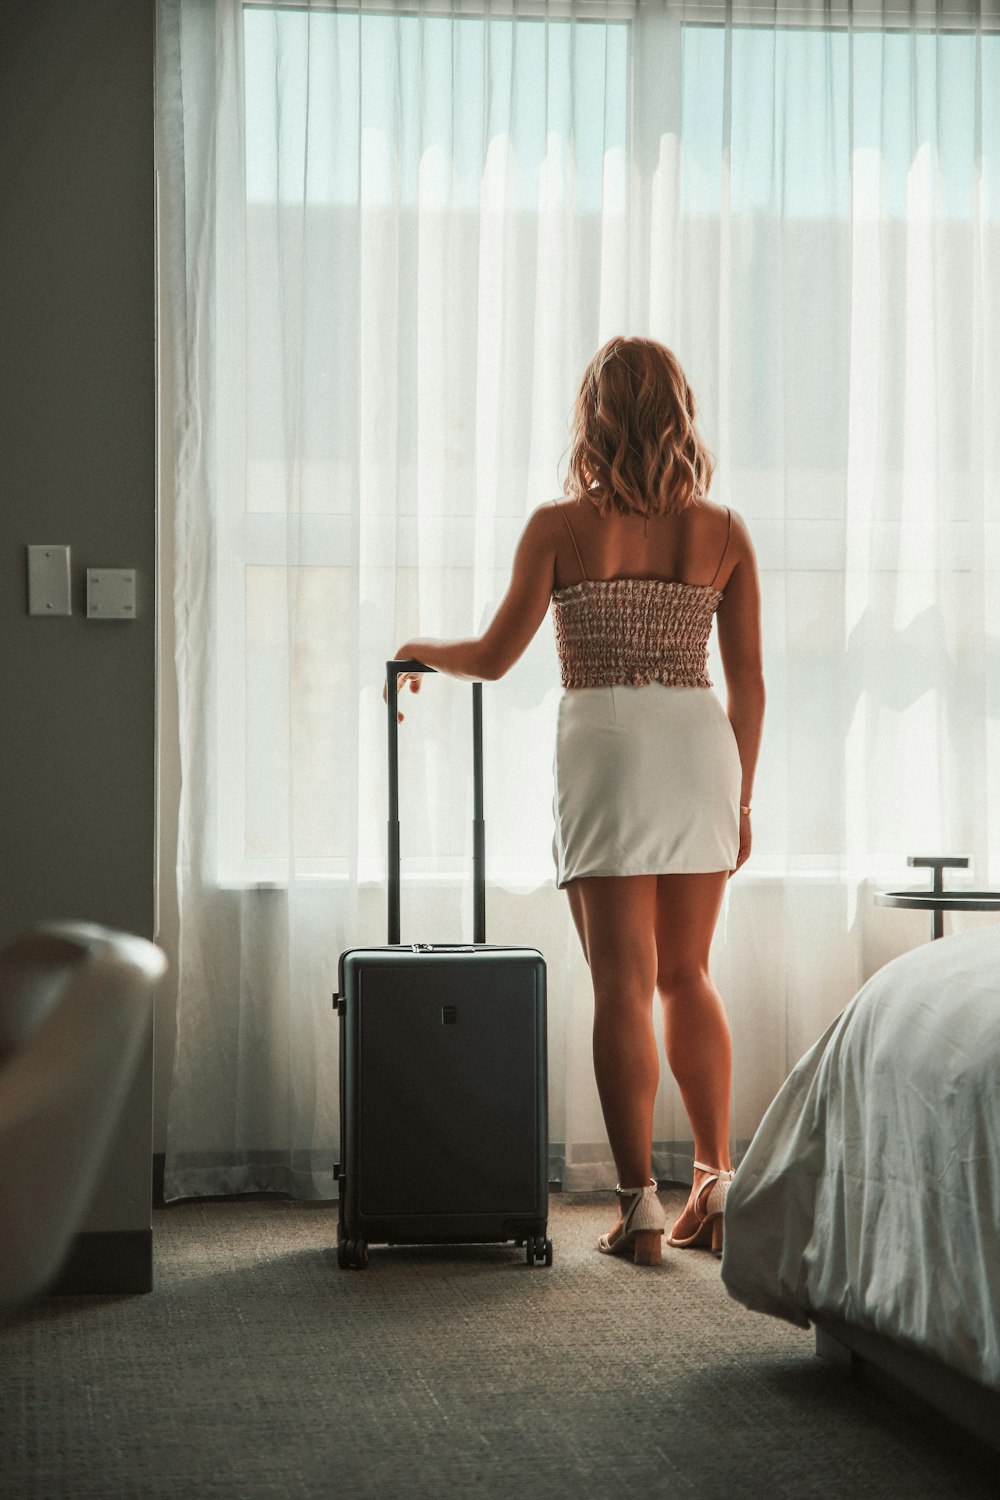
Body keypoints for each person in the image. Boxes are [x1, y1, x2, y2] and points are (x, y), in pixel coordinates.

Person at [388, 335, 765, 1268]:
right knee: (689, 974)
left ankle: (639, 1206)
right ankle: (715, 1183)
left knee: (622, 985)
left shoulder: (559, 527)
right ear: (680, 413)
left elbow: (494, 655)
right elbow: (750, 683)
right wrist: (743, 796)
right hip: (696, 745)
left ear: (593, 417)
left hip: (604, 747)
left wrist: (416, 649)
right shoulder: (722, 531)